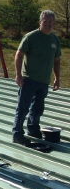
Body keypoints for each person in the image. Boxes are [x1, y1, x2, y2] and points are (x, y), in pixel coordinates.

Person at [12, 10, 61, 146]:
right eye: (45, 21)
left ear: (53, 23)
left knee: (38, 108)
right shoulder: (31, 37)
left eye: (50, 22)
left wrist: (57, 78)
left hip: (44, 81)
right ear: (40, 22)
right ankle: (17, 133)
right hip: (28, 79)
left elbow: (57, 60)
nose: (48, 24)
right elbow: (19, 54)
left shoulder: (54, 39)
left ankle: (33, 130)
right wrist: (18, 75)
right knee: (23, 107)